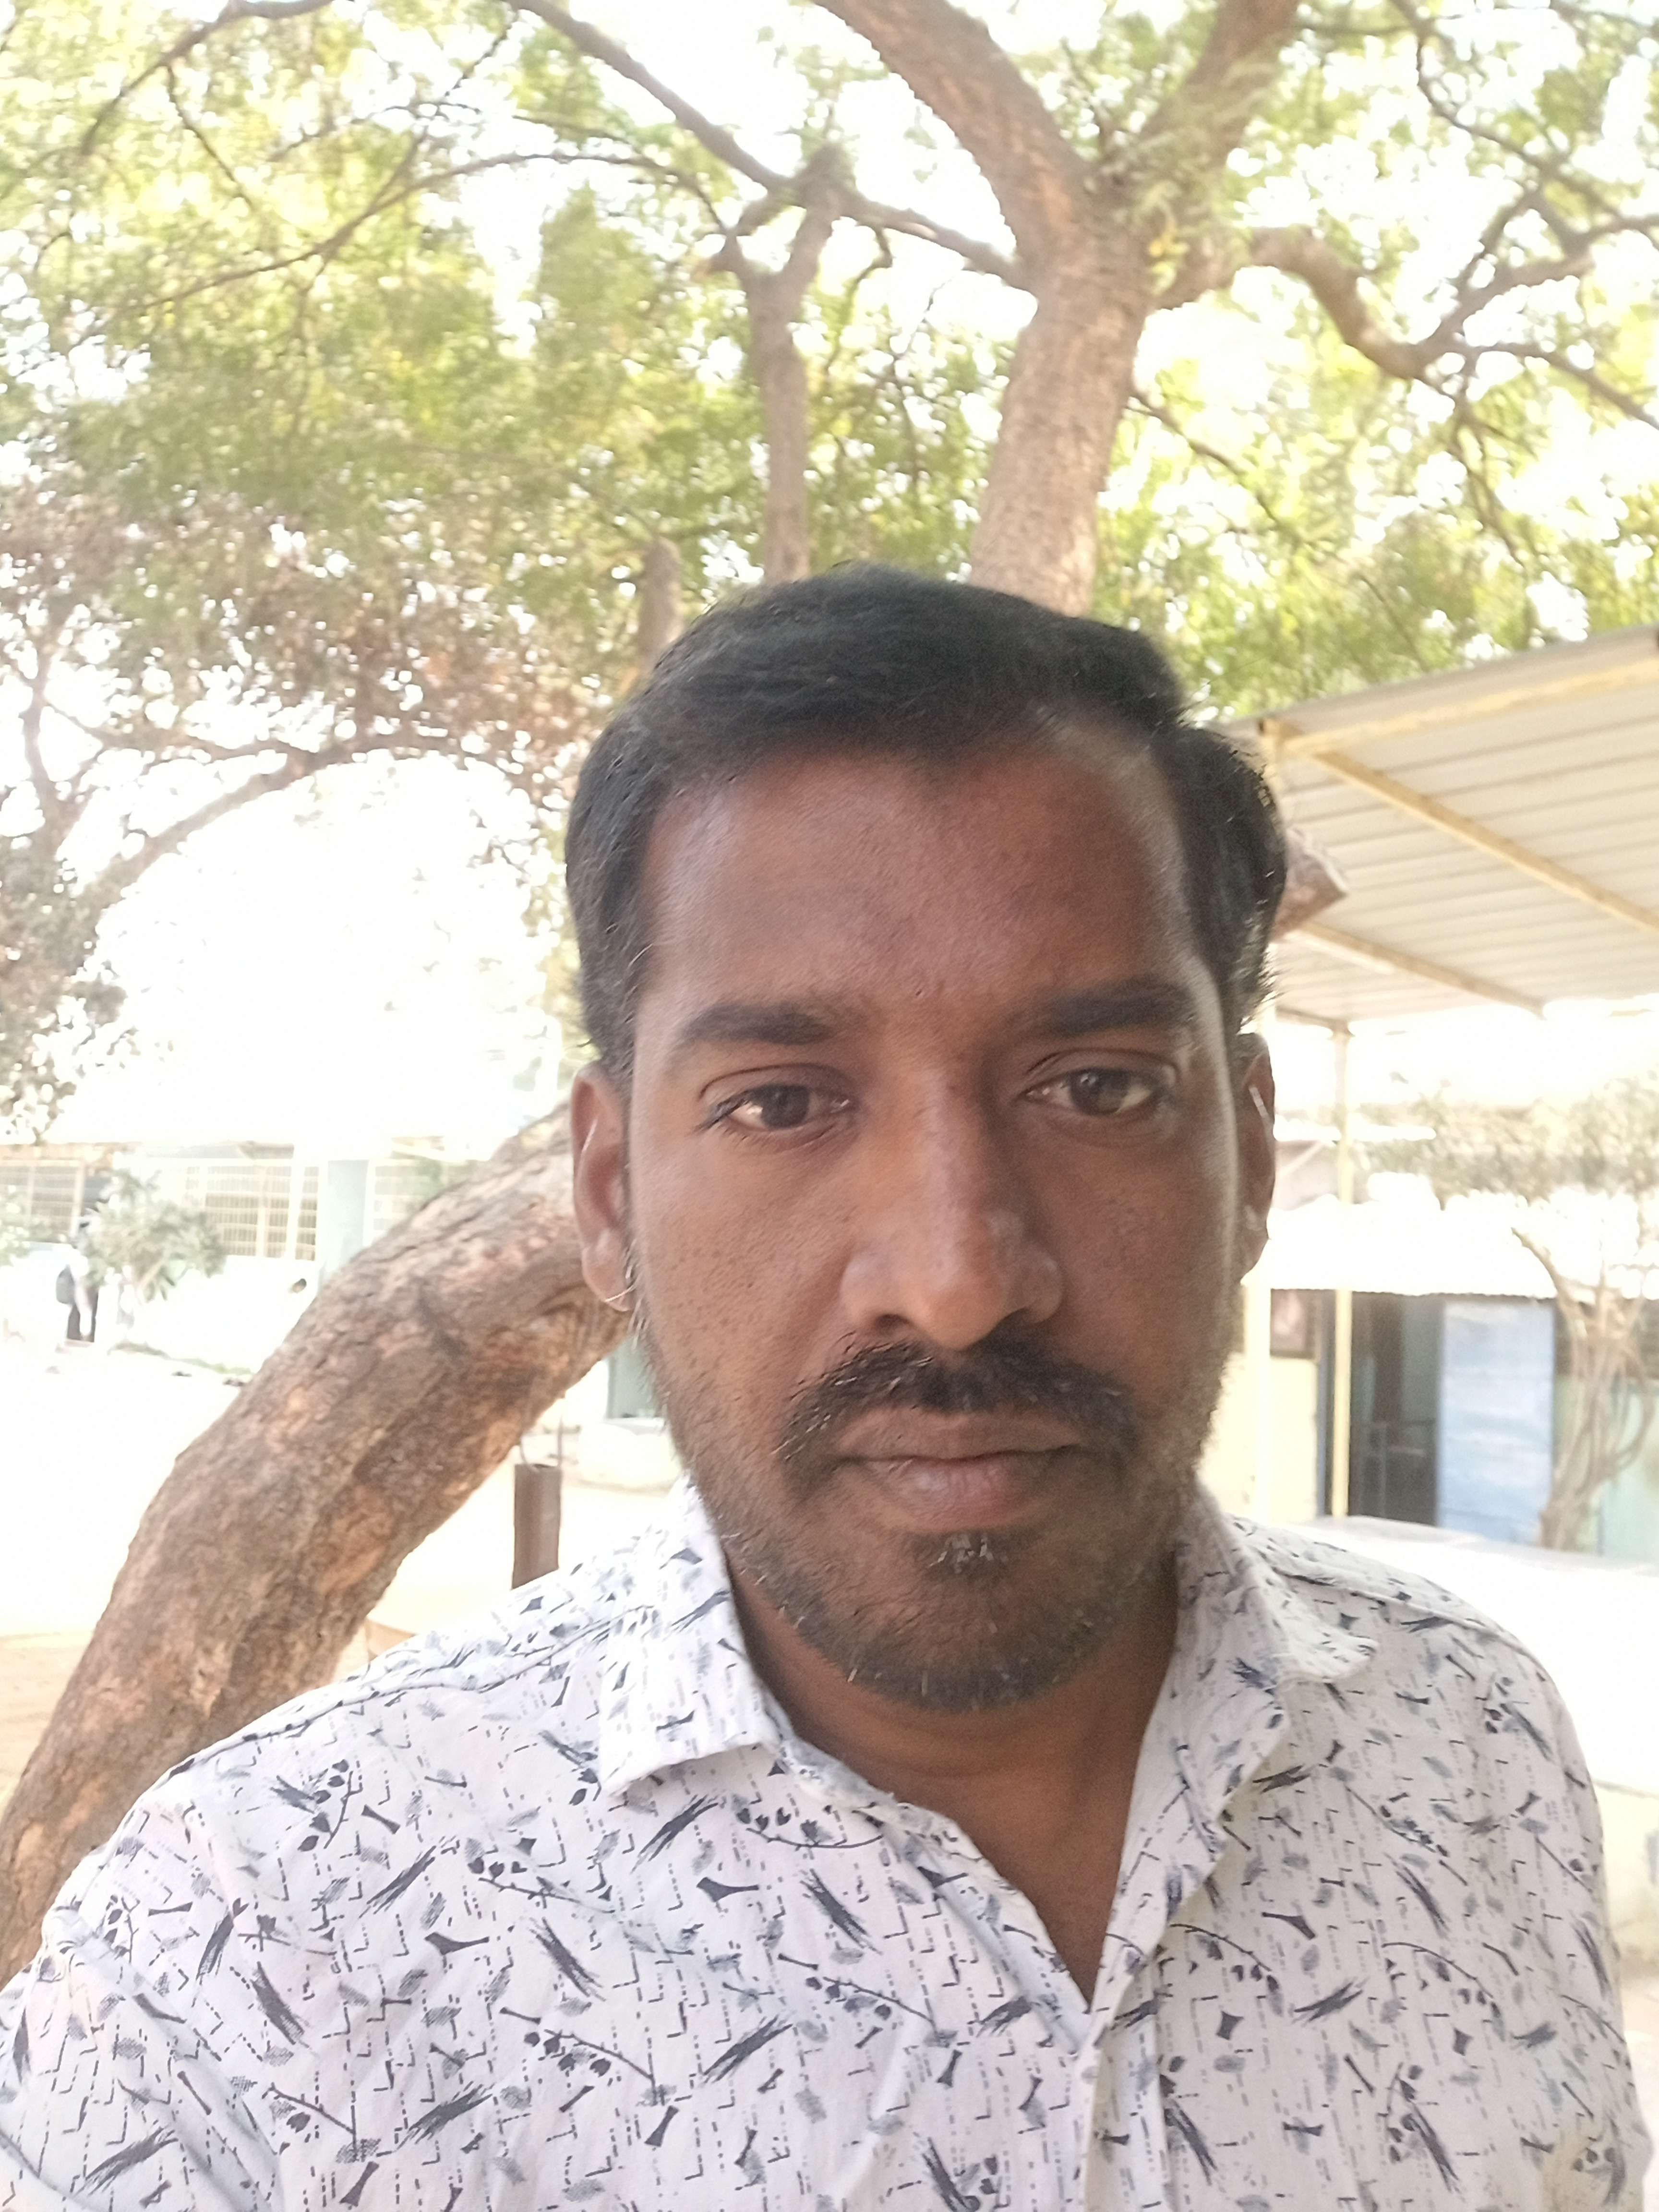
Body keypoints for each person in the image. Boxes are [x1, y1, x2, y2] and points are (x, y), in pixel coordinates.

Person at [0, 569, 1645, 2208]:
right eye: (781, 1103)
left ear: (1256, 1155)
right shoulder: (245, 1962)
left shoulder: (1473, 1743)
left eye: (1097, 1087)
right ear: (610, 1194)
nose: (957, 1281)